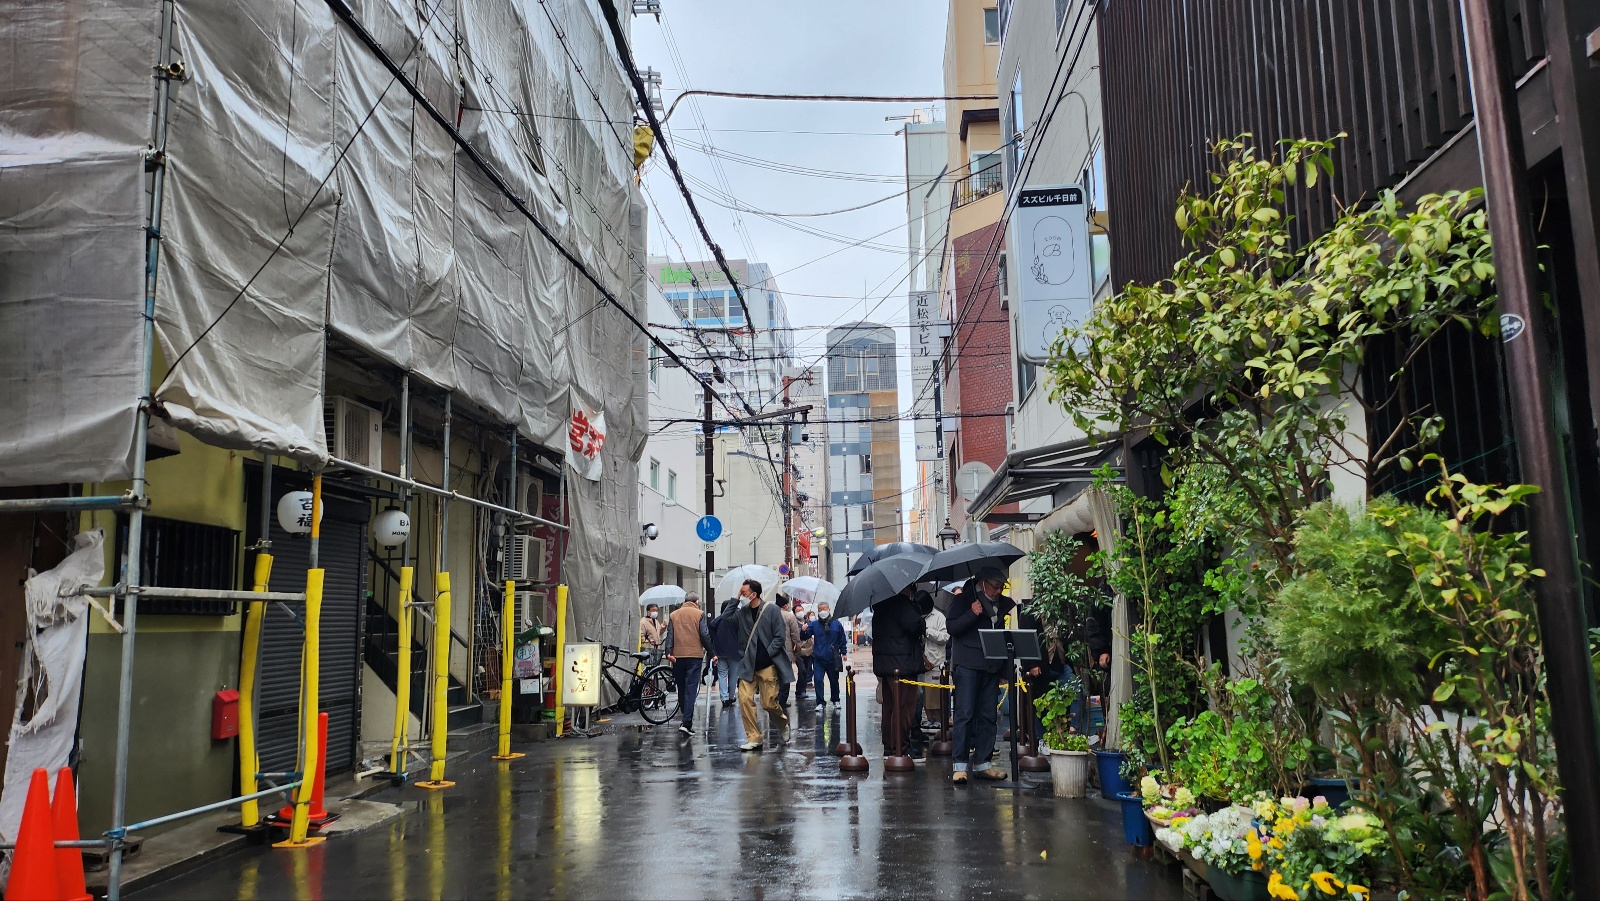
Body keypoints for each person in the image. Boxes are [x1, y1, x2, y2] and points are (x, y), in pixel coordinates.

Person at [944, 566, 1016, 784]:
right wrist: (971, 613)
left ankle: (983, 764)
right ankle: (959, 765)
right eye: (995, 586)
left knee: (988, 716)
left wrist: (1003, 670)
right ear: (982, 582)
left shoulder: (1001, 604)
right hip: (967, 664)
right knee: (965, 714)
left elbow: (1002, 637)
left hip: (991, 666)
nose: (998, 591)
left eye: (1002, 587)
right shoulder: (963, 600)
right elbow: (952, 628)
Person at [733, 580, 791, 751]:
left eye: (744, 592)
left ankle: (782, 723)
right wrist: (736, 599)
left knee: (768, 703)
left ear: (754, 594)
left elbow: (780, 636)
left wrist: (768, 652)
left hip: (767, 665)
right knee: (744, 699)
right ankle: (754, 737)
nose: (742, 595)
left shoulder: (771, 610)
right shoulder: (742, 612)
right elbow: (727, 618)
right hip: (748, 665)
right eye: (741, 592)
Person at [872, 585, 925, 760]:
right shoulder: (902, 605)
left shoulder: (880, 606)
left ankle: (889, 748)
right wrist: (917, 611)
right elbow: (915, 626)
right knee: (903, 708)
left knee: (889, 708)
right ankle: (901, 748)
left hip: (886, 665)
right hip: (903, 665)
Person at [663, 592, 711, 736]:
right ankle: (686, 722)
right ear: (696, 601)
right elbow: (704, 634)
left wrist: (668, 652)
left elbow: (670, 635)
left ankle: (686, 718)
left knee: (682, 688)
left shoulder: (674, 615)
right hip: (694, 656)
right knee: (691, 688)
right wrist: (712, 653)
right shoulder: (699, 614)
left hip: (677, 656)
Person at [916, 589, 949, 738]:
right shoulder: (918, 617)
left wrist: (927, 631)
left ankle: (939, 719)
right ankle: (930, 718)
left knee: (935, 694)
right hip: (922, 662)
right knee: (924, 694)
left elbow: (945, 637)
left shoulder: (939, 617)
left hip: (936, 661)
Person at [803, 601, 847, 704]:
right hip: (819, 658)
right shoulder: (814, 624)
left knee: (834, 680)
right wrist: (804, 630)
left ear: (829, 610)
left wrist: (843, 652)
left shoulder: (836, 624)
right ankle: (820, 702)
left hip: (833, 657)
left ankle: (835, 699)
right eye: (820, 609)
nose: (822, 611)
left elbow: (842, 638)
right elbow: (805, 636)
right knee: (818, 680)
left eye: (824, 609)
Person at [708, 596, 742, 707]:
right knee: (733, 675)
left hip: (720, 651)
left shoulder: (720, 618)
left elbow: (711, 626)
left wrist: (715, 641)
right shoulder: (737, 619)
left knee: (722, 674)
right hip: (735, 652)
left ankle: (724, 698)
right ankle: (731, 696)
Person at [776, 594, 801, 708]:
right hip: (786, 651)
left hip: (771, 651)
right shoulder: (790, 617)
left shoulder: (769, 615)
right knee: (785, 675)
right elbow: (795, 636)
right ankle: (782, 700)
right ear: (785, 606)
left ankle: (773, 697)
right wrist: (797, 651)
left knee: (774, 675)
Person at [794, 605, 815, 700]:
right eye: (797, 610)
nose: (800, 612)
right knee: (802, 670)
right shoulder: (793, 622)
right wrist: (802, 630)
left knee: (806, 670)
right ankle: (801, 690)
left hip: (809, 650)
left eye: (801, 610)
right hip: (798, 650)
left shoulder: (808, 622)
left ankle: (800, 690)